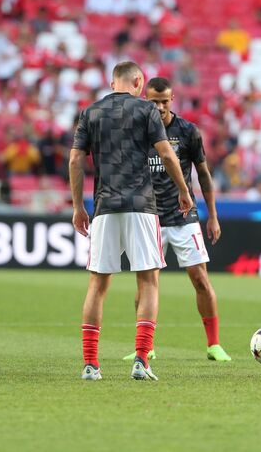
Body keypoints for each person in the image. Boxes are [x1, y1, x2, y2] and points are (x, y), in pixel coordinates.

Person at [70, 61, 193, 382]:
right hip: (141, 206)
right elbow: (166, 154)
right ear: (138, 81)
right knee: (148, 282)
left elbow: (75, 159)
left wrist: (77, 207)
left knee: (98, 285)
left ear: (113, 83)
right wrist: (183, 190)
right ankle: (141, 359)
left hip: (104, 207)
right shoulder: (147, 110)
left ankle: (90, 365)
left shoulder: (90, 112)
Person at [120, 77, 229, 362]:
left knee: (200, 279)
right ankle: (146, 346)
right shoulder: (136, 132)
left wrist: (213, 215)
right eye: (153, 102)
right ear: (146, 101)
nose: (159, 107)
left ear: (172, 100)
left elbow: (203, 174)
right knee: (146, 283)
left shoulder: (188, 131)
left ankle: (214, 345)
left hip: (183, 216)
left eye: (164, 101)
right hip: (148, 217)